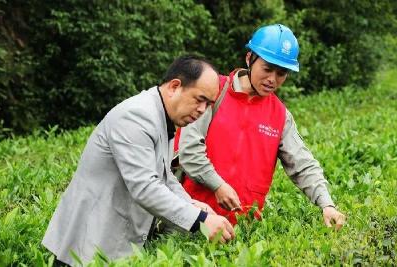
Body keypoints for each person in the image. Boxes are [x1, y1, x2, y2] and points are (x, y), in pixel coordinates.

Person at [42, 55, 235, 266]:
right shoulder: (137, 116)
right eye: (199, 99)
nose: (202, 110)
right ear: (174, 86)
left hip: (111, 246)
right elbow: (145, 186)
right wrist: (201, 221)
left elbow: (164, 176)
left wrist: (191, 205)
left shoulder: (163, 117)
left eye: (208, 104)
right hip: (85, 247)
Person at [177, 24, 346, 228]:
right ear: (249, 59)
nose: (272, 80)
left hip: (243, 231)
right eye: (267, 69)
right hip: (192, 220)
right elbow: (189, 151)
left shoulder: (280, 115)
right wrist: (217, 185)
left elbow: (302, 163)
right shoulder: (213, 92)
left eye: (281, 73)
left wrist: (326, 204)